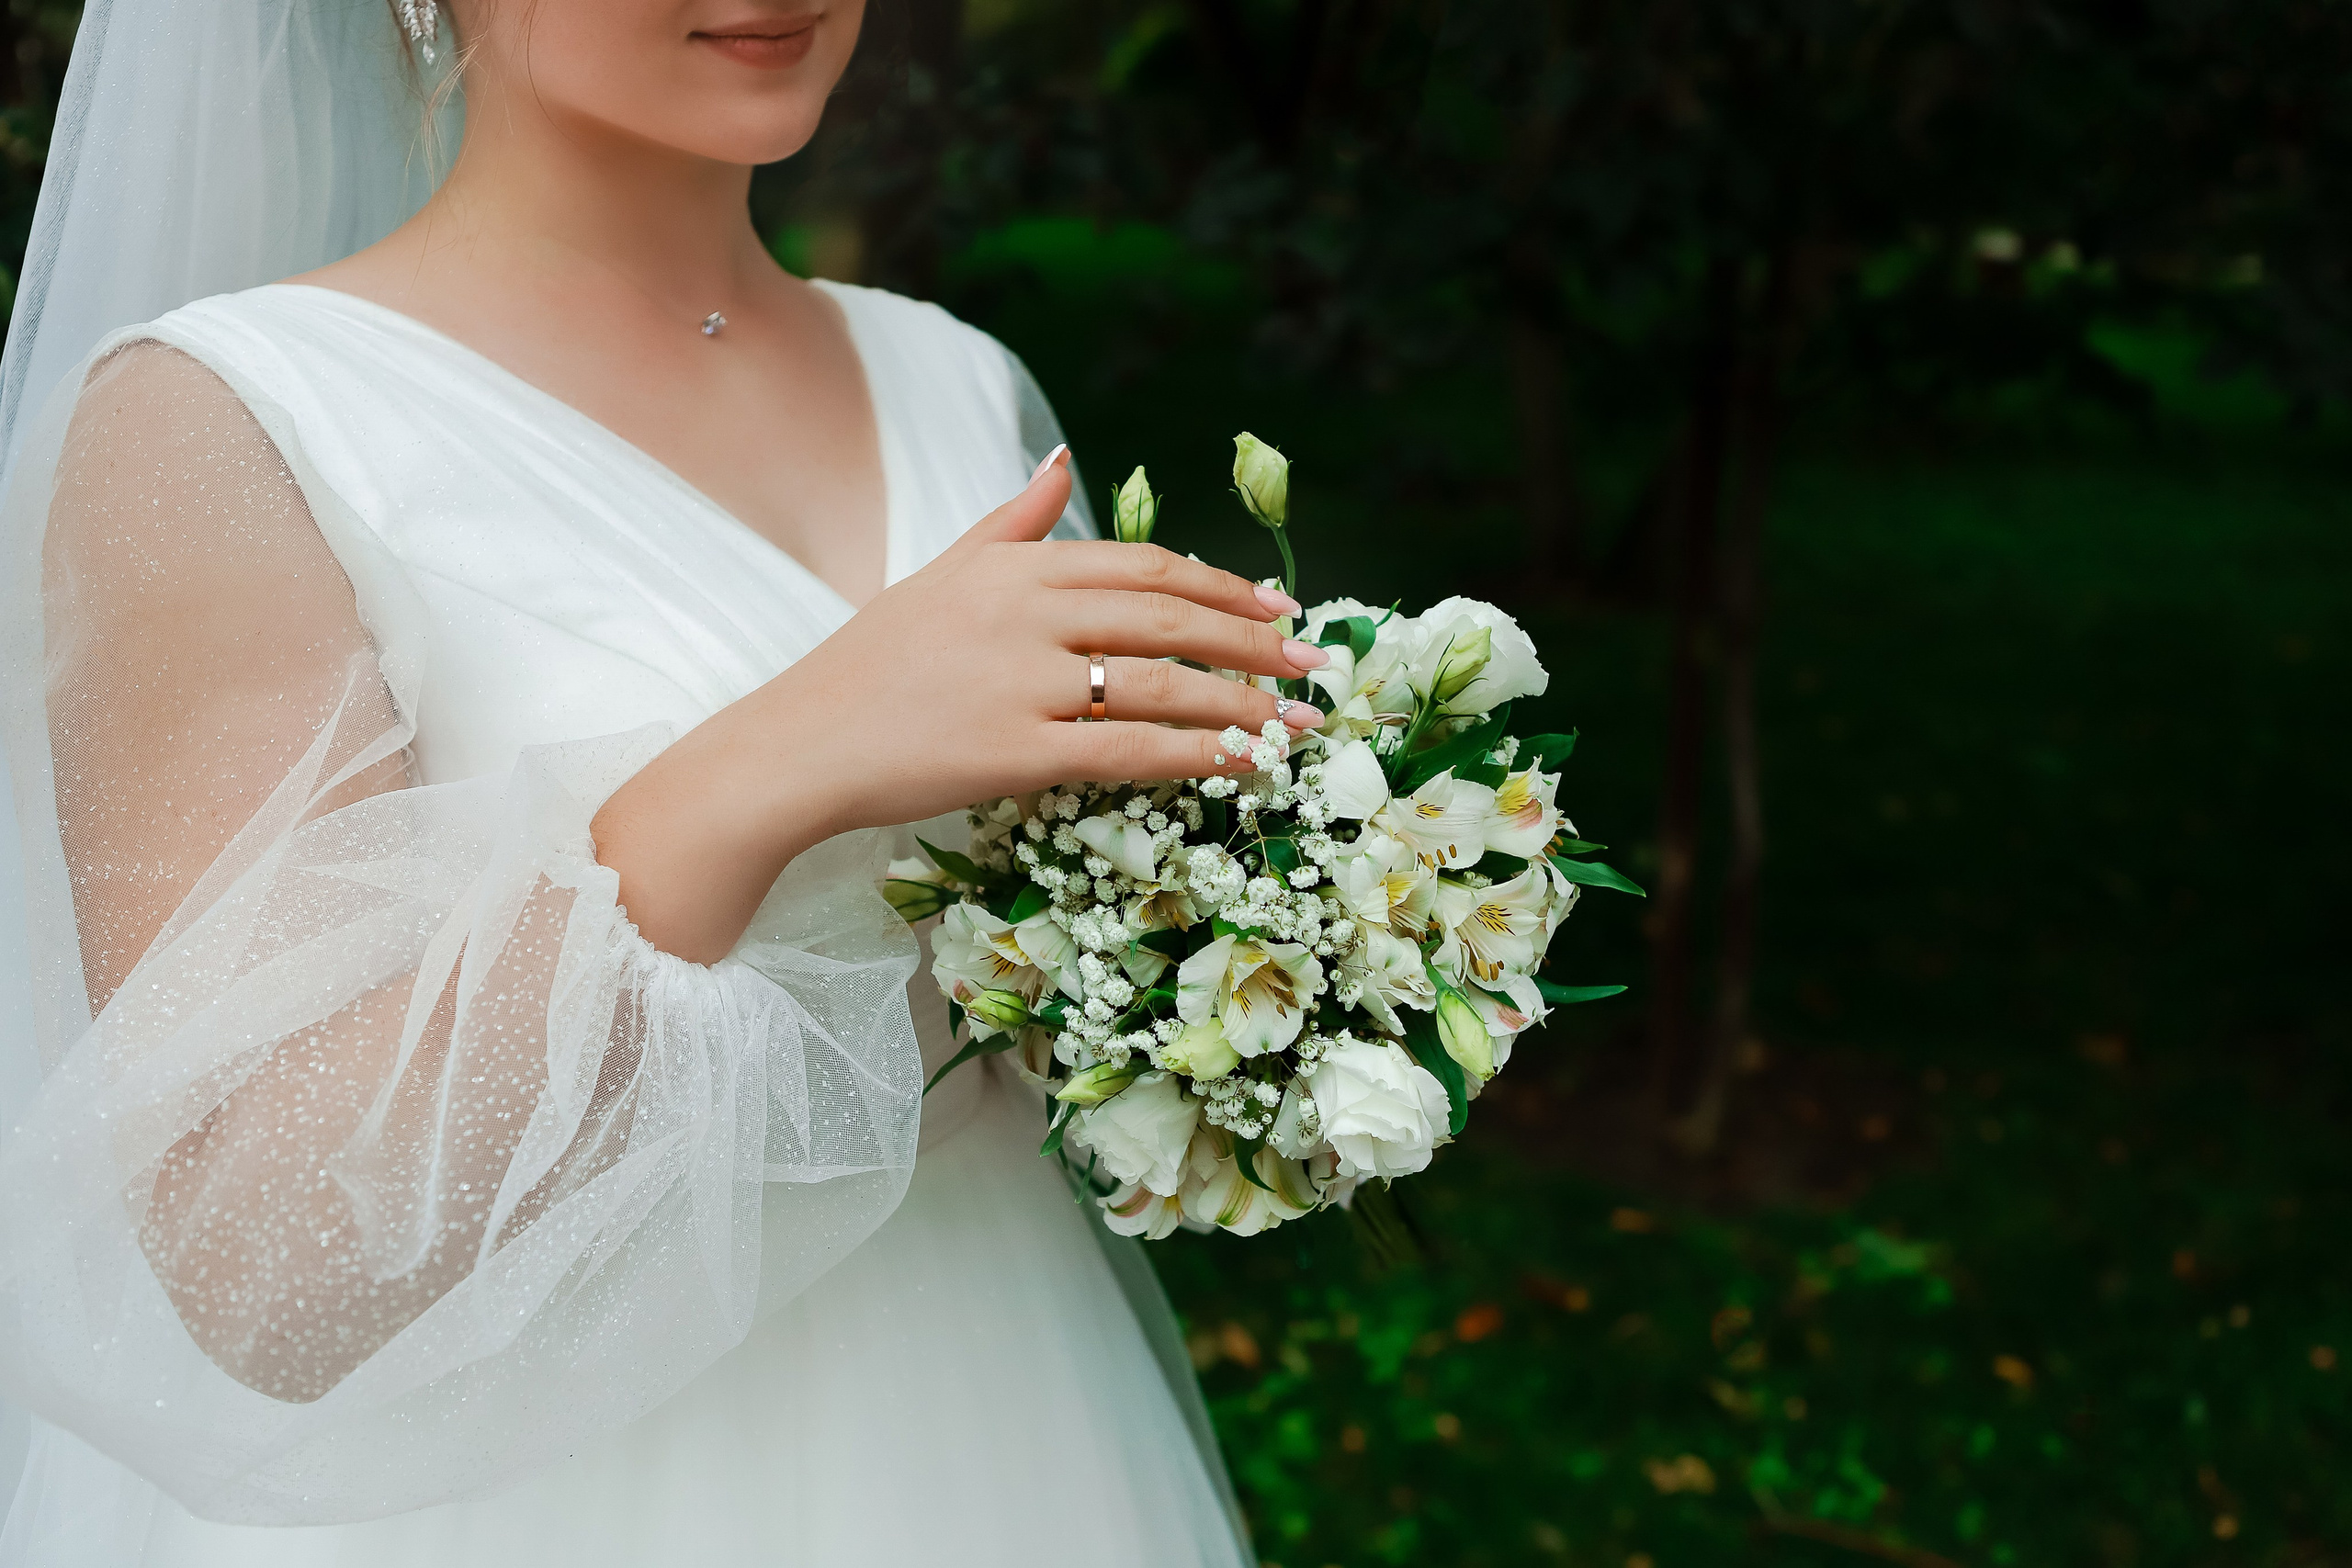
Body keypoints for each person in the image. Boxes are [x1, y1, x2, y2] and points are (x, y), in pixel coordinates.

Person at [0, 2, 1331, 1562]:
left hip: (1002, 1408)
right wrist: (787, 755)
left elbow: (1065, 1002)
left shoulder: (963, 384)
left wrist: (1314, 929)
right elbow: (259, 1259)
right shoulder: (216, 421)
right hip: (530, 1496)